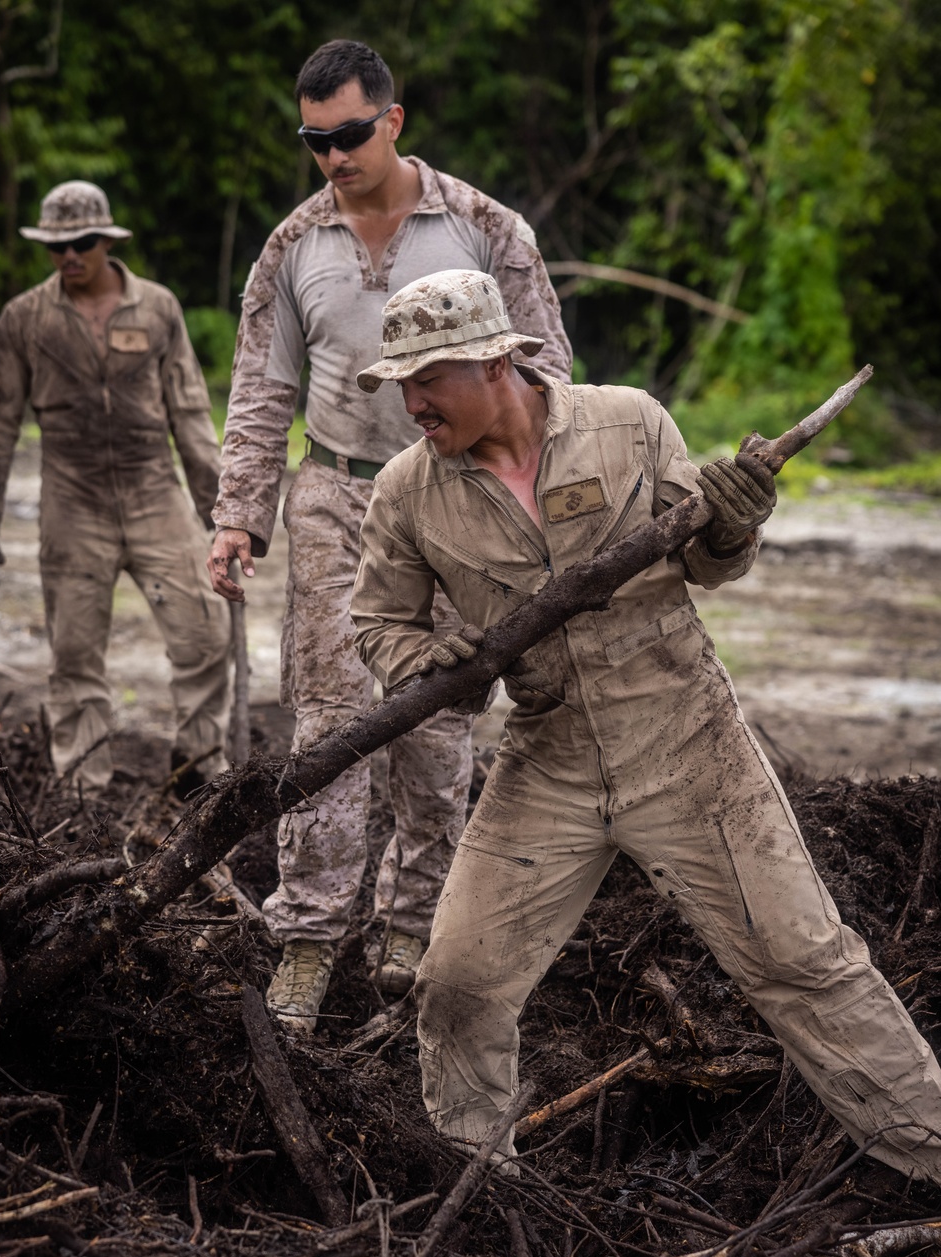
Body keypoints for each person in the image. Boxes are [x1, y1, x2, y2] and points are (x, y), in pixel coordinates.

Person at [350, 267, 941, 1184]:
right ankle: (479, 1191)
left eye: (428, 379)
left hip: (686, 740)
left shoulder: (628, 422)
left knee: (806, 963)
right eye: (402, 384)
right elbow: (380, 621)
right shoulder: (407, 492)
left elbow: (707, 561)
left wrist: (735, 528)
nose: (413, 402)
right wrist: (418, 662)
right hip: (548, 761)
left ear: (497, 361)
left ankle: (928, 1154)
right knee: (459, 984)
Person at [207, 40, 572, 1025]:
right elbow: (259, 390)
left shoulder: (485, 227)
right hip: (335, 494)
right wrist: (238, 515)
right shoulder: (292, 247)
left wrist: (544, 498)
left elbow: (545, 372)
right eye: (314, 141)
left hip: (455, 493)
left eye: (350, 136)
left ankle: (413, 925)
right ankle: (309, 940)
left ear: (393, 121)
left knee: (441, 710)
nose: (333, 157)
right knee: (329, 719)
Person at [0, 180, 231, 794]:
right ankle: (87, 790)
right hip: (72, 502)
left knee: (204, 636)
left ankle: (196, 770)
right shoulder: (25, 319)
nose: (69, 256)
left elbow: (189, 412)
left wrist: (223, 509)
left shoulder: (158, 308)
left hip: (154, 494)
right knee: (75, 656)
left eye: (82, 242)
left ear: (107, 240)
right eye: (56, 246)